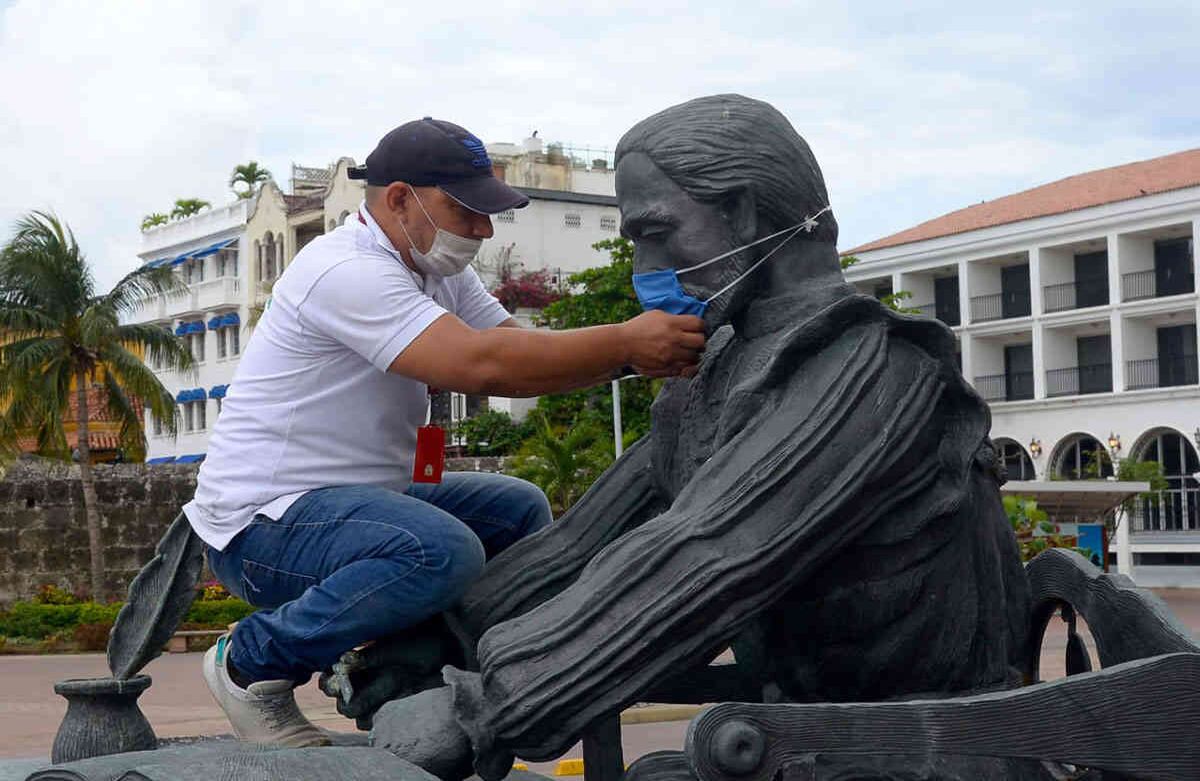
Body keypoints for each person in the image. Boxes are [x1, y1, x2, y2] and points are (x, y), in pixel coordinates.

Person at [368, 95, 1033, 781]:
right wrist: (443, 638)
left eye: (658, 232)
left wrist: (487, 707)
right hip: (815, 738)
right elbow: (582, 544)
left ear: (743, 212)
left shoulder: (876, 371)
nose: (645, 267)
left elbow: (711, 553)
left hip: (923, 752)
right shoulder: (718, 367)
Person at [184, 117, 706, 747]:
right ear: (400, 199)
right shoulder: (343, 270)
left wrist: (630, 347)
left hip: (352, 504)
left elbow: (512, 345)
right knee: (439, 550)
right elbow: (482, 366)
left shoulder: (434, 268)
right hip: (262, 527)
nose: (484, 230)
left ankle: (432, 662)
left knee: (518, 511)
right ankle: (249, 663)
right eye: (466, 210)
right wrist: (627, 344)